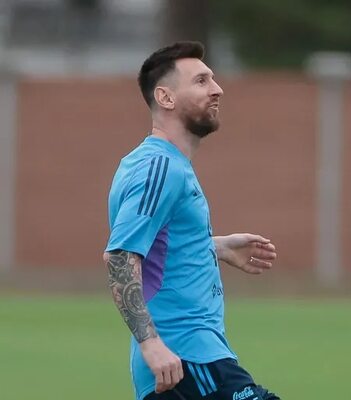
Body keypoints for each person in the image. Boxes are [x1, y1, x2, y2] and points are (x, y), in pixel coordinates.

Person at [103, 41, 281, 400]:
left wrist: (212, 246)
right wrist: (152, 344)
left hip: (187, 361)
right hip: (188, 358)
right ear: (166, 98)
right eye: (201, 81)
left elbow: (153, 245)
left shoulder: (159, 163)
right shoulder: (160, 167)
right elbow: (121, 257)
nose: (217, 89)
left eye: (213, 79)